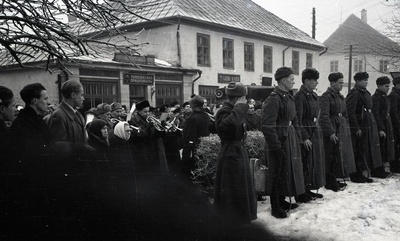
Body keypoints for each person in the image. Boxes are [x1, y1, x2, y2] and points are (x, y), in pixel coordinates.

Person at [46, 80, 96, 237]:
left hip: (81, 170)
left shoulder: (77, 114)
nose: (84, 98)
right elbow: (57, 145)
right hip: (69, 173)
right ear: (73, 95)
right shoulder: (59, 116)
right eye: (81, 95)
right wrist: (80, 147)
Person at [261, 67, 304, 219]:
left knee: (285, 170)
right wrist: (275, 146)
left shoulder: (288, 97)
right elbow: (267, 126)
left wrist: (298, 138)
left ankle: (281, 200)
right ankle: (275, 206)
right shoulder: (273, 99)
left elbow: (295, 120)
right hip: (279, 141)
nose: (293, 82)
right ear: (284, 80)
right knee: (276, 173)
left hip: (289, 138)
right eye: (292, 79)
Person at [9, 83, 51, 234]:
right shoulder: (26, 124)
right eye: (45, 99)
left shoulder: (34, 120)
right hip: (32, 185)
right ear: (34, 101)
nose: (48, 102)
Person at [214, 81, 257, 226]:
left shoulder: (235, 111)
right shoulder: (224, 112)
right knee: (233, 189)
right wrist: (239, 107)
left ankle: (242, 219)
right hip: (230, 154)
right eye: (243, 98)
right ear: (238, 98)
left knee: (241, 188)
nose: (245, 101)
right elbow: (230, 124)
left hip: (238, 153)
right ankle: (232, 222)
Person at [319, 72, 356, 191]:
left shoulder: (340, 97)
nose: (341, 85)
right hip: (332, 127)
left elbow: (345, 113)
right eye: (339, 83)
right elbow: (324, 116)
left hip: (341, 127)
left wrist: (347, 126)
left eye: (342, 83)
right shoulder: (326, 97)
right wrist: (330, 132)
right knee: (330, 155)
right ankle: (329, 181)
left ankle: (334, 178)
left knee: (338, 155)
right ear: (332, 83)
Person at [293, 68, 325, 202]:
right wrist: (304, 137)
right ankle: (301, 193)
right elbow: (298, 119)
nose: (317, 83)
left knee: (311, 162)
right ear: (306, 81)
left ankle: (307, 189)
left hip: (313, 131)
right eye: (314, 80)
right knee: (304, 163)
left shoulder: (313, 95)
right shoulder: (300, 97)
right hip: (305, 133)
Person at [346, 72, 383, 183]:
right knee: (357, 149)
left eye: (367, 80)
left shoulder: (365, 93)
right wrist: (356, 128)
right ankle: (356, 174)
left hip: (366, 125)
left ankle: (362, 172)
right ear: (357, 81)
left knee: (363, 149)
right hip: (359, 125)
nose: (366, 82)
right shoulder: (354, 93)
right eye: (363, 80)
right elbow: (350, 112)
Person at [129, 100, 169, 176]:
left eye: (148, 111)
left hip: (151, 151)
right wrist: (148, 127)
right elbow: (135, 136)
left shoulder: (148, 119)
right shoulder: (133, 120)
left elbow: (155, 135)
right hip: (140, 151)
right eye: (145, 112)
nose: (147, 114)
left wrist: (162, 128)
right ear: (138, 111)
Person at [181, 95, 210, 182]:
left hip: (192, 148)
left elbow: (190, 135)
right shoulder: (206, 115)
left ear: (194, 105)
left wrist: (187, 150)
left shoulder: (193, 118)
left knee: (189, 170)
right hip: (202, 146)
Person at [372, 76, 395, 177]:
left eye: (388, 86)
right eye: (386, 86)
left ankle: (382, 169)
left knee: (384, 149)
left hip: (386, 125)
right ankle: (378, 170)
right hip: (379, 126)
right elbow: (375, 114)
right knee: (379, 149)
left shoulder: (384, 97)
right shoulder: (376, 98)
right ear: (379, 86)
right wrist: (380, 128)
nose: (388, 88)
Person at [388, 76, 400, 173]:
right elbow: (394, 112)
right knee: (395, 145)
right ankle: (395, 166)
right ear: (396, 85)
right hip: (395, 125)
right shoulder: (394, 95)